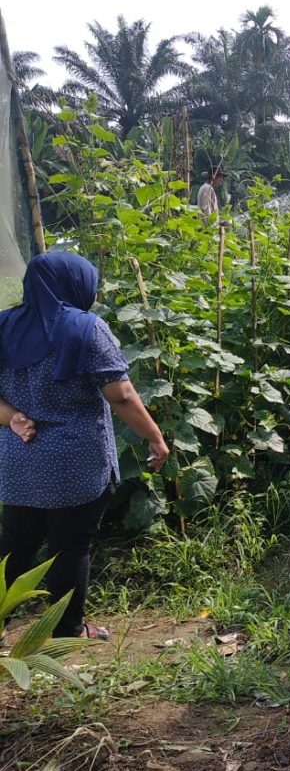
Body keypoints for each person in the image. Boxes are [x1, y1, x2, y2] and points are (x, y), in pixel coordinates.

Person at [0, 252, 170, 640]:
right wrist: (155, 437)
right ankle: (66, 628)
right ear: (75, 284)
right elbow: (122, 395)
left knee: (15, 544)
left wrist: (13, 416)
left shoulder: (3, 326)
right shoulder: (85, 328)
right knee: (70, 545)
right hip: (75, 460)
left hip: (18, 459)